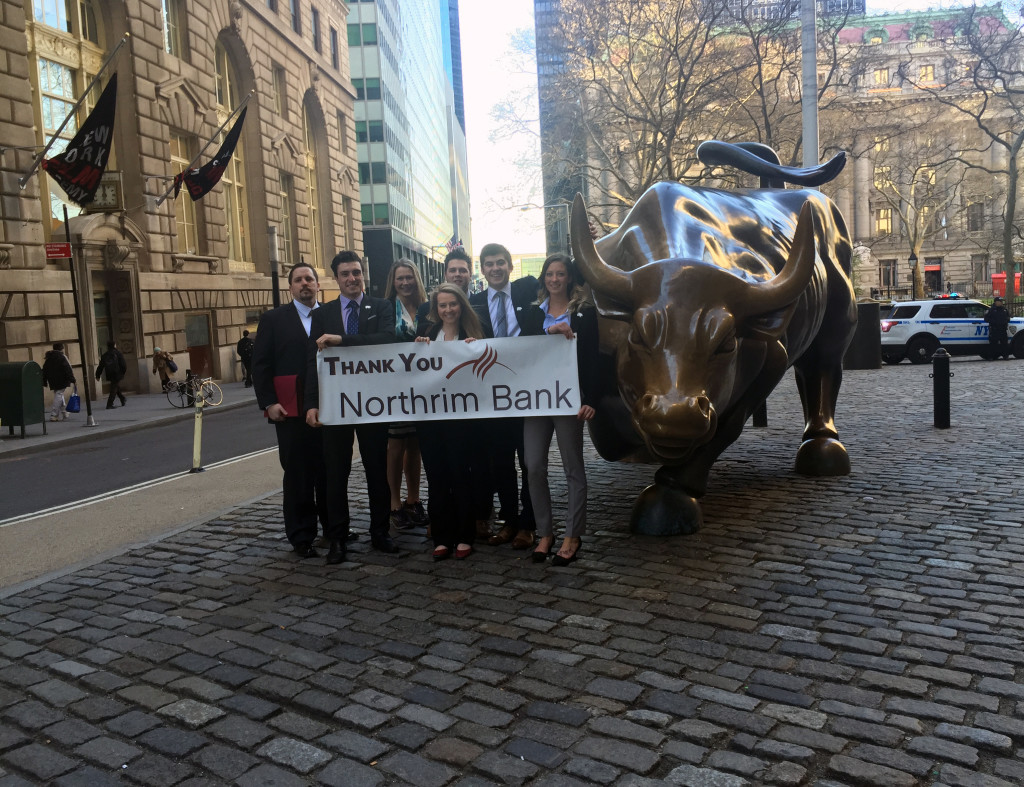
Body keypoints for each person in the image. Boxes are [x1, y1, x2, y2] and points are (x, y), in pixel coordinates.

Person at [305, 251, 397, 564]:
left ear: (362, 274)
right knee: (336, 473)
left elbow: (386, 339)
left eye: (356, 272)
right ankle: (338, 537)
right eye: (345, 274)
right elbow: (313, 361)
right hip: (336, 404)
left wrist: (341, 341)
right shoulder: (323, 313)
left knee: (377, 470)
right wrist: (311, 404)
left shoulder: (381, 307)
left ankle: (380, 532)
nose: (352, 278)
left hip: (373, 403)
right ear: (336, 278)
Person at [520, 255, 599, 566]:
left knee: (572, 467)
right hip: (536, 399)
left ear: (569, 278)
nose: (554, 279)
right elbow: (522, 349)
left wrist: (591, 399)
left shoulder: (584, 313)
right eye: (550, 274)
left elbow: (593, 357)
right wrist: (549, 334)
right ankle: (545, 533)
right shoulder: (531, 312)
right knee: (533, 465)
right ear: (543, 278)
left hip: (568, 399)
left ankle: (572, 535)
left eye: (560, 274)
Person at [252, 263, 329, 559]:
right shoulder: (273, 319)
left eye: (309, 278)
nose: (304, 283)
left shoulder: (331, 316)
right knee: (298, 473)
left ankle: (333, 527)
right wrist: (269, 402)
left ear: (318, 284)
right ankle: (301, 535)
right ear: (290, 288)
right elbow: (261, 364)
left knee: (329, 471)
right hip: (290, 409)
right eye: (298, 280)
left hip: (329, 406)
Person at [469, 243, 539, 550]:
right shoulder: (473, 303)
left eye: (500, 263)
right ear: (482, 270)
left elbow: (565, 278)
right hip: (493, 397)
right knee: (501, 463)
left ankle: (529, 524)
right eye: (489, 264)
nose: (495, 268)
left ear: (510, 267)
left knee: (529, 461)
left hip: (528, 392)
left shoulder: (528, 290)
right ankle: (510, 521)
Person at [414, 284, 485, 561]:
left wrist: (476, 350)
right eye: (442, 305)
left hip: (462, 419)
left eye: (452, 304)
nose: (448, 310)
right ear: (436, 309)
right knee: (436, 477)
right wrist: (417, 348)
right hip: (430, 419)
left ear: (461, 305)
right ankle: (442, 537)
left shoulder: (475, 333)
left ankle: (465, 535)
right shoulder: (427, 333)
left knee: (461, 475)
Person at [384, 259, 428, 530]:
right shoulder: (386, 308)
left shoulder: (427, 307)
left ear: (416, 279)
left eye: (409, 277)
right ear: (393, 281)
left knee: (415, 444)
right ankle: (394, 503)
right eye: (400, 278)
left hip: (423, 386)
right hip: (394, 386)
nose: (405, 283)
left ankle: (414, 499)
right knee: (395, 444)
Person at [415, 248, 475, 328]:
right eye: (452, 270)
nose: (457, 274)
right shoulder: (426, 310)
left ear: (470, 275)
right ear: (445, 275)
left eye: (462, 270)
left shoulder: (483, 305)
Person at [42, 342, 75, 422]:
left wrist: (44, 381)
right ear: (61, 348)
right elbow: (67, 368)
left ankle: (64, 412)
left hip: (52, 379)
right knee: (59, 394)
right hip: (62, 379)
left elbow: (44, 369)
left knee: (59, 393)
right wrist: (72, 379)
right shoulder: (62, 357)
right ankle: (54, 414)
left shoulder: (49, 357)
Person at [95, 340, 127, 409]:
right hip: (117, 373)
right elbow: (123, 364)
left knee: (115, 385)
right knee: (114, 388)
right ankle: (109, 404)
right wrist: (123, 372)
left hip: (109, 373)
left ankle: (122, 398)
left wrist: (97, 375)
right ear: (114, 345)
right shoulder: (118, 353)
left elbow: (100, 366)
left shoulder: (105, 355)